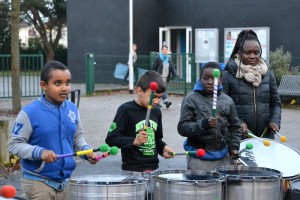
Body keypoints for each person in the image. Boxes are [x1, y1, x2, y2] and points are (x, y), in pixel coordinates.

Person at [8, 61, 97, 200]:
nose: (64, 88)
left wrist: (86, 151)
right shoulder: (30, 112)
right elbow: (14, 144)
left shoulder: (72, 109)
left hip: (66, 183)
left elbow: (77, 138)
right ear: (44, 85)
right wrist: (40, 152)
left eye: (67, 83)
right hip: (37, 183)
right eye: (58, 83)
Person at [105, 71, 174, 199]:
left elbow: (157, 139)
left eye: (159, 97)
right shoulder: (126, 110)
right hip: (133, 171)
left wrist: (163, 148)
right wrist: (134, 141)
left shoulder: (156, 112)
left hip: (154, 170)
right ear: (139, 91)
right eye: (153, 96)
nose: (156, 101)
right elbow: (111, 139)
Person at [177, 62, 241, 171]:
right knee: (201, 187)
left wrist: (233, 147)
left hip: (223, 156)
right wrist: (204, 124)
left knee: (222, 187)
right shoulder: (190, 99)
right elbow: (182, 128)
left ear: (221, 80)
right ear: (200, 79)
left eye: (214, 79)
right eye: (206, 78)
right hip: (198, 156)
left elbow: (235, 127)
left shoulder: (228, 101)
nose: (210, 82)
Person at [222, 29, 281, 139]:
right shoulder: (227, 75)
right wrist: (238, 123)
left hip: (265, 136)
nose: (253, 56)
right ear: (239, 53)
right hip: (238, 136)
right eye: (248, 53)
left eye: (256, 52)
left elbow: (276, 104)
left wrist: (274, 120)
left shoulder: (268, 75)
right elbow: (223, 107)